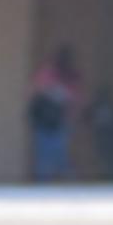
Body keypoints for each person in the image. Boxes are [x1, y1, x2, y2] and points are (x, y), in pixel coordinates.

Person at [27, 43, 86, 184]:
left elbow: (76, 99)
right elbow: (35, 90)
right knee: (45, 157)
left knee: (60, 156)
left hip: (60, 122)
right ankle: (44, 185)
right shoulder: (48, 73)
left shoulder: (71, 76)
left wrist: (69, 108)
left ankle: (68, 184)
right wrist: (51, 92)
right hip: (45, 121)